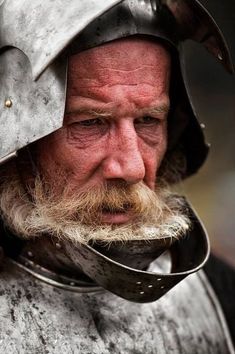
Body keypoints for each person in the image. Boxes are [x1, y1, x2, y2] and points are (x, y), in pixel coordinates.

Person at [0, 0, 234, 352]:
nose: (131, 168)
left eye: (148, 121)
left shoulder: (221, 297)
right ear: (19, 138)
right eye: (90, 123)